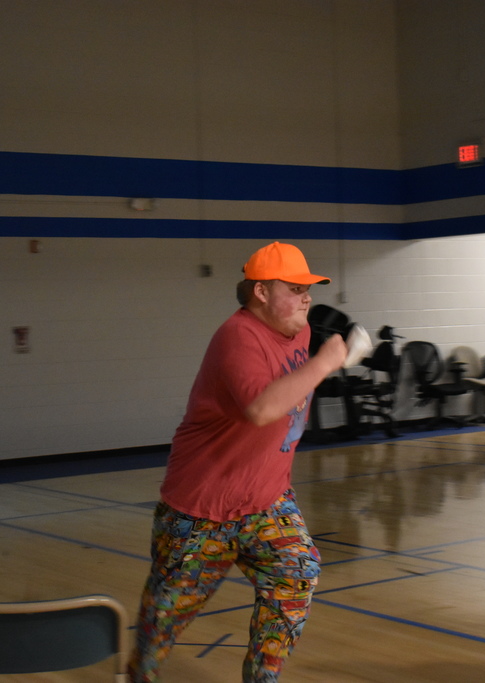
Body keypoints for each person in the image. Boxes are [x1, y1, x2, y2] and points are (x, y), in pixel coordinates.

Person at [127, 242, 348, 683]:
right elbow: (262, 410)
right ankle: (138, 674)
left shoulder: (300, 332)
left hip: (266, 500)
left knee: (298, 572)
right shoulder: (237, 336)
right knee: (166, 617)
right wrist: (326, 362)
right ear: (261, 292)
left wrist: (322, 355)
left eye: (309, 288)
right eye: (295, 287)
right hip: (199, 509)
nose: (307, 297)